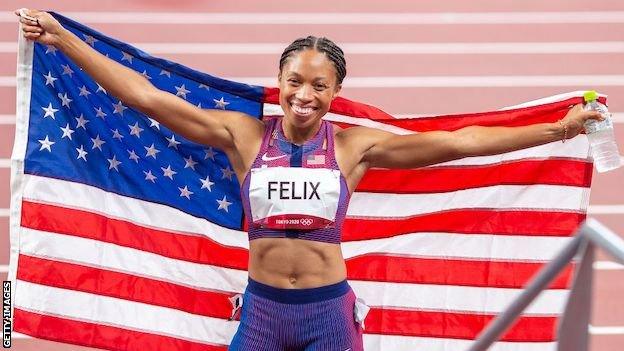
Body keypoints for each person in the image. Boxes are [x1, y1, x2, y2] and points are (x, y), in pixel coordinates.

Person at [16, 9, 603, 351]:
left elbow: (458, 143)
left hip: (329, 314)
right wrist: (63, 38)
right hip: (264, 313)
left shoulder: (353, 147)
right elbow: (145, 96)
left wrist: (555, 132)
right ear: (280, 78)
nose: (305, 94)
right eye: (296, 79)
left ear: (334, 94)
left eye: (320, 85)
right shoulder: (243, 136)